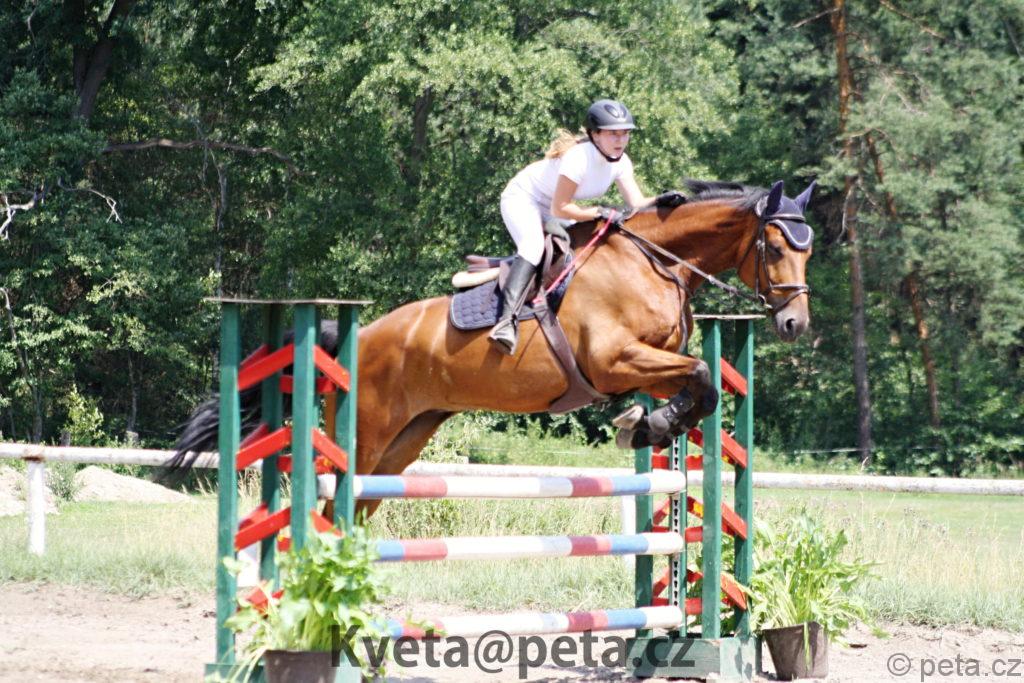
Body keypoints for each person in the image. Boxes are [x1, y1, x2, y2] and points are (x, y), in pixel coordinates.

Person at [489, 98, 687, 355]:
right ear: (595, 134)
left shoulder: (621, 162)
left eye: (625, 133)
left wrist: (660, 200)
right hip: (524, 199)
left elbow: (636, 203)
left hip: (556, 206)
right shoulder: (578, 159)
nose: (621, 140)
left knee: (583, 248)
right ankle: (506, 322)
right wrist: (597, 212)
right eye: (613, 134)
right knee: (533, 246)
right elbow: (559, 208)